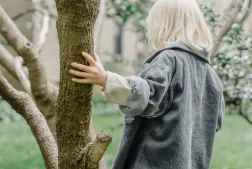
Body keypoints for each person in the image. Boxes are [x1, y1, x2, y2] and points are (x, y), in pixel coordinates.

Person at [69, 0, 225, 168]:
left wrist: (106, 79)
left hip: (155, 162)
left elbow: (147, 95)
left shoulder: (170, 59)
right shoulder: (212, 76)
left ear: (163, 26)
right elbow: (215, 121)